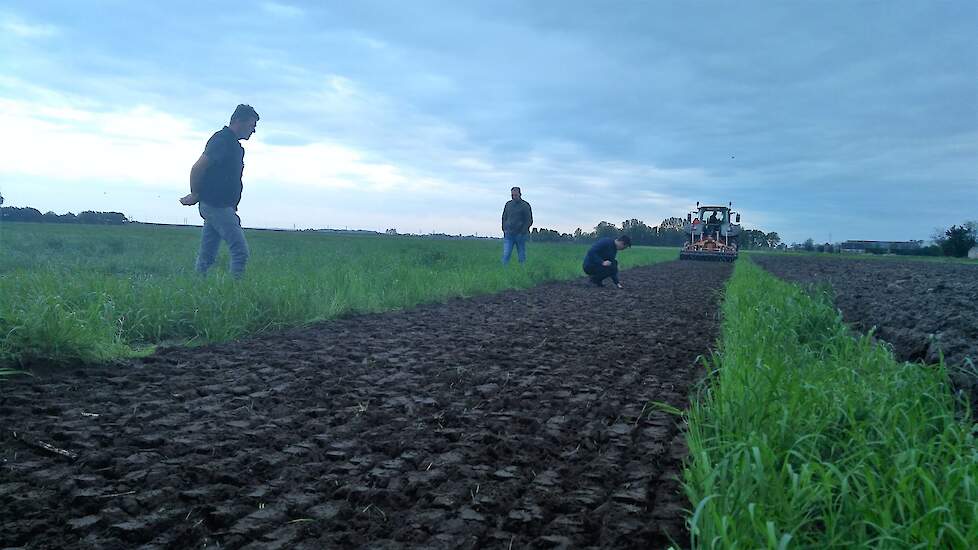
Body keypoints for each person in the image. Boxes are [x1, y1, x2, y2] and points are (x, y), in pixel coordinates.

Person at [179, 104, 259, 278]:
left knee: (207, 255)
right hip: (216, 205)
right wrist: (194, 193)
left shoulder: (234, 145)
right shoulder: (222, 140)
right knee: (240, 251)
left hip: (221, 205)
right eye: (251, 126)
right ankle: (236, 292)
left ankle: (197, 286)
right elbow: (198, 167)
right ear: (238, 121)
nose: (253, 131)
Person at [500, 186, 533, 265]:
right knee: (506, 255)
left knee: (521, 256)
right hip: (509, 234)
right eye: (512, 195)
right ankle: (503, 272)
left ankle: (522, 272)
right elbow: (504, 217)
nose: (514, 197)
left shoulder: (525, 205)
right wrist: (504, 228)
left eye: (515, 195)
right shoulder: (508, 204)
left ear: (520, 194)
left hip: (520, 235)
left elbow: (529, 220)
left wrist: (522, 231)